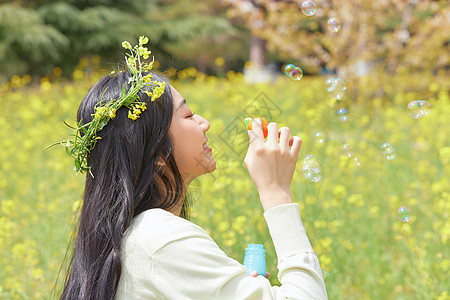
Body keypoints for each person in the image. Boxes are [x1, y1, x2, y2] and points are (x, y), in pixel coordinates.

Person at [58, 38, 328, 300]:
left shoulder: (137, 235)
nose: (205, 123)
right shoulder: (161, 240)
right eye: (187, 115)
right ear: (159, 152)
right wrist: (276, 191)